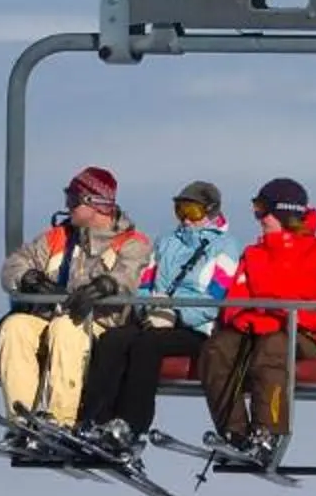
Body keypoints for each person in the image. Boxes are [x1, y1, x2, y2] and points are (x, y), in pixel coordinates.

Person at [0, 165, 155, 431]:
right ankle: (22, 420)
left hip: (100, 324)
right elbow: (13, 264)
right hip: (52, 316)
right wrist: (27, 278)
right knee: (15, 327)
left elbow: (131, 275)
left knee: (66, 328)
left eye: (73, 200)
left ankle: (62, 420)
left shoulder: (131, 242)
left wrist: (105, 286)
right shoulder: (57, 237)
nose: (68, 206)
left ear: (95, 204)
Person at [76, 180, 234, 442]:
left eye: (192, 212)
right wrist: (152, 307)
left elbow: (216, 298)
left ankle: (131, 427)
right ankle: (95, 420)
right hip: (155, 320)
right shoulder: (166, 243)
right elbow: (145, 284)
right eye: (179, 210)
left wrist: (177, 313)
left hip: (195, 328)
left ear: (211, 212)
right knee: (113, 339)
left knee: (146, 346)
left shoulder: (225, 248)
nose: (185, 219)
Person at [200, 177, 316, 450]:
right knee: (217, 349)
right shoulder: (255, 254)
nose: (258, 217)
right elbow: (236, 300)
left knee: (273, 347)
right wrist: (247, 319)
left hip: (305, 336)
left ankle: (268, 431)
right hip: (257, 329)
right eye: (256, 208)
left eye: (262, 209)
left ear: (284, 212)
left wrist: (284, 314)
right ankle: (234, 432)